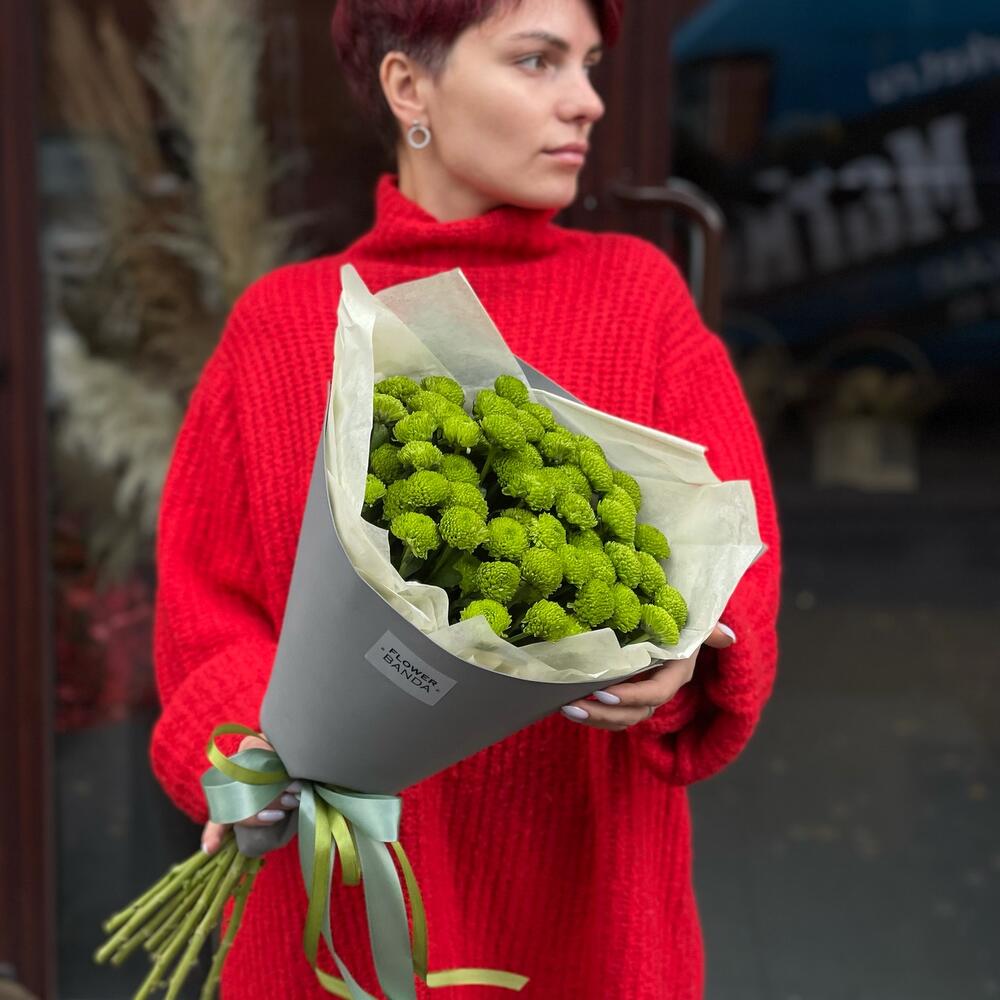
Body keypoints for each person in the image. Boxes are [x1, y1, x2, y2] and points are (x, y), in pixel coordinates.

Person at [150, 0, 781, 996]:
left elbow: (738, 550)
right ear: (410, 89)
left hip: (586, 890)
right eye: (537, 62)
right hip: (343, 884)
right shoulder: (280, 329)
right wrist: (248, 752)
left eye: (588, 65)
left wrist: (691, 650)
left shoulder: (640, 299)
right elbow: (203, 609)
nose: (585, 102)